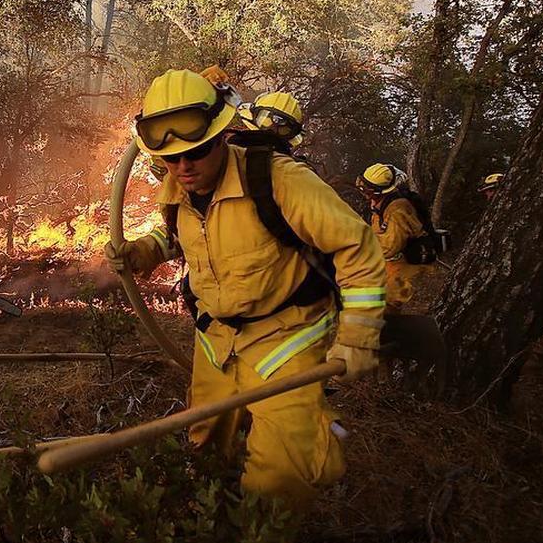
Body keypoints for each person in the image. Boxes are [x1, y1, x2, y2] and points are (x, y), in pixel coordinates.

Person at [105, 69, 387, 513]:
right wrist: (144, 252)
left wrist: (359, 336)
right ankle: (210, 522)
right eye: (170, 159)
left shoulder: (278, 180)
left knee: (281, 476)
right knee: (204, 441)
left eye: (196, 151)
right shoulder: (177, 183)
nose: (184, 168)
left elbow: (357, 245)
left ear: (222, 137)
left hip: (286, 341)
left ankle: (265, 537)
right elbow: (181, 234)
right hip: (215, 340)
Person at [356, 163, 431, 311]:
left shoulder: (398, 210)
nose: (364, 194)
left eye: (368, 191)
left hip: (401, 265)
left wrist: (359, 241)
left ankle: (391, 330)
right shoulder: (381, 203)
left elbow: (390, 247)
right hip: (386, 264)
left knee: (387, 307)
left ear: (380, 191)